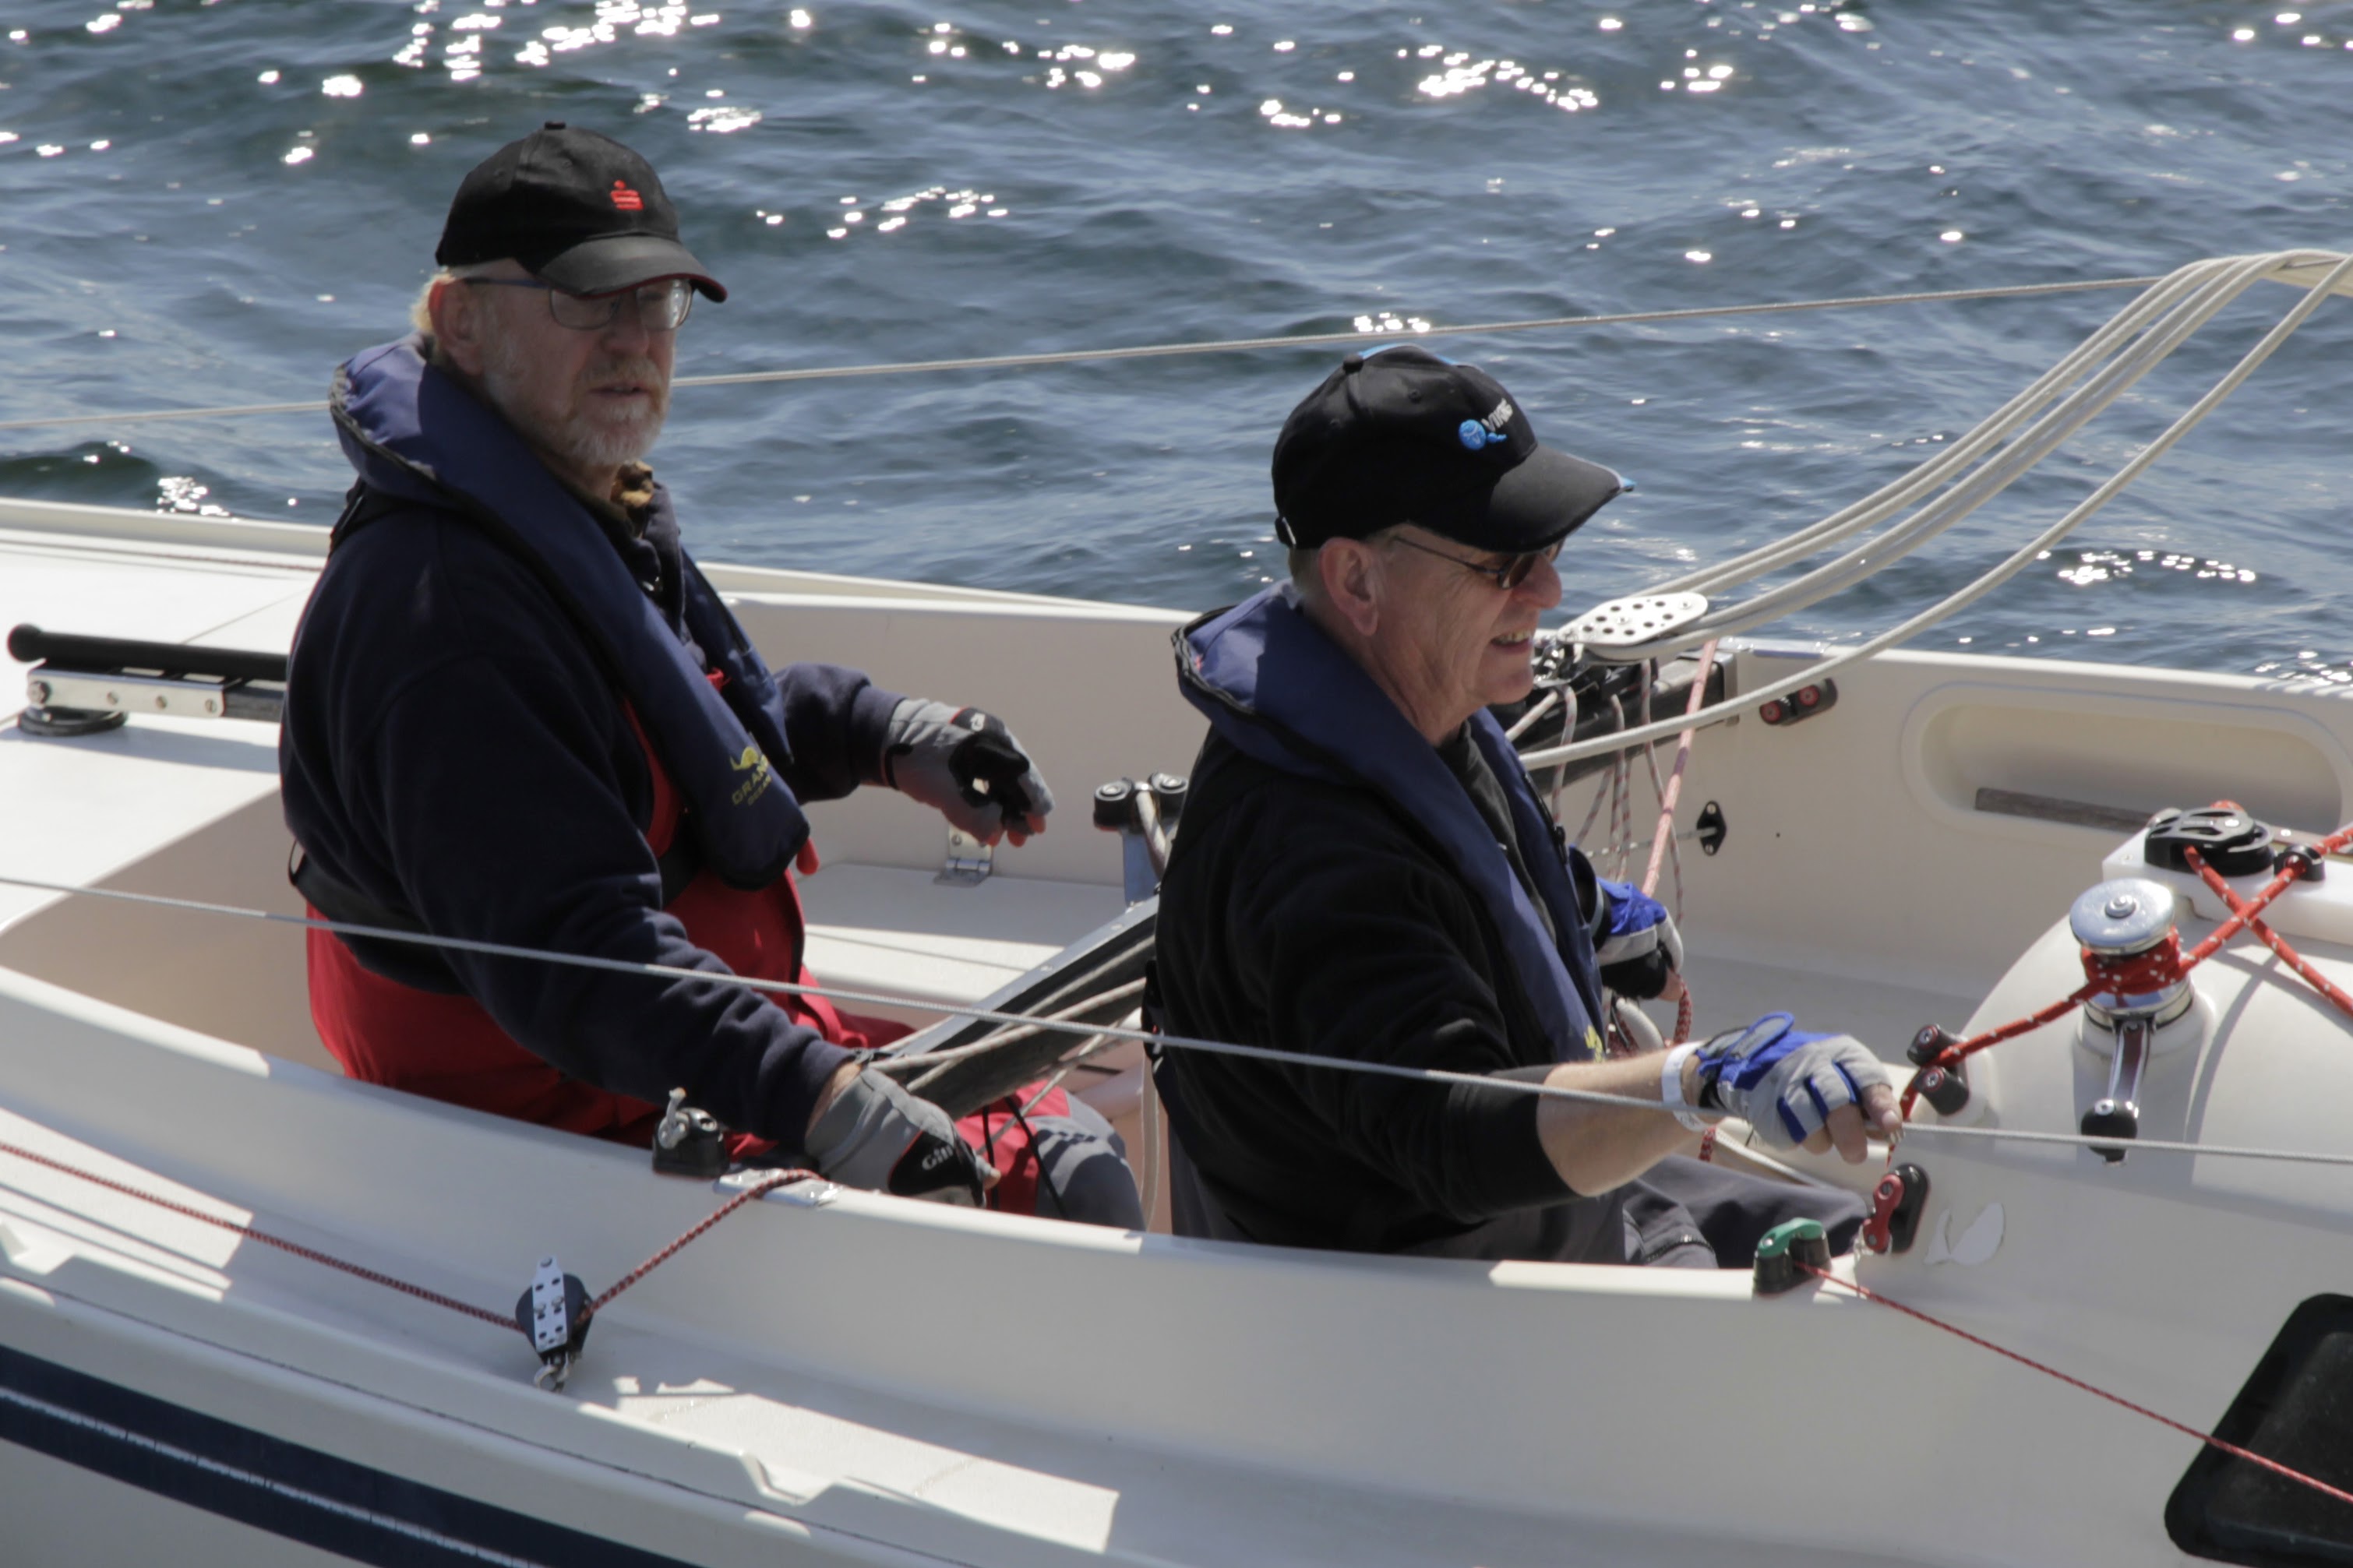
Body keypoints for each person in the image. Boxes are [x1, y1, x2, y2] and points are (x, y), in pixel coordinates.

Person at [280, 122, 1138, 1224]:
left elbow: (690, 722)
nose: (634, 341)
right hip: (574, 1134)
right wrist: (822, 1098)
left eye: (657, 302)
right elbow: (581, 963)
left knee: (1074, 1133)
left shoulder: (563, 503)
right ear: (463, 322)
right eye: (588, 302)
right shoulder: (445, 617)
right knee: (1073, 1175)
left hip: (693, 1066)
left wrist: (886, 733)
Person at [1152, 345, 1894, 1263]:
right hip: (1443, 1291)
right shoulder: (1310, 857)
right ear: (1355, 581)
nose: (1549, 590)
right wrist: (1696, 1081)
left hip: (1570, 1211)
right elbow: (1451, 1132)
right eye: (1503, 563)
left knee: (1892, 1244)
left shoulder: (1414, 702)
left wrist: (1585, 912)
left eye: (1547, 549)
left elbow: (1468, 862)